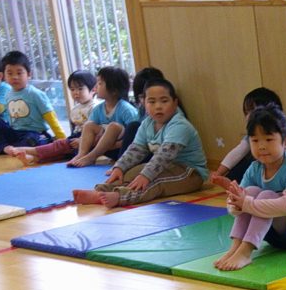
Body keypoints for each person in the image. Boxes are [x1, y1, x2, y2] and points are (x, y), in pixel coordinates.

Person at [212, 105, 286, 271]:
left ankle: (245, 252)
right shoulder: (254, 168)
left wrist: (246, 203)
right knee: (249, 192)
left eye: (269, 139)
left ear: (285, 142)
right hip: (273, 233)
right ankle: (235, 247)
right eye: (255, 141)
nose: (262, 146)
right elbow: (236, 206)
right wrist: (235, 203)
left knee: (267, 195)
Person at [72, 77, 207, 208]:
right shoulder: (147, 123)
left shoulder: (179, 125)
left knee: (154, 182)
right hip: (165, 168)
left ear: (175, 103)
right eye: (152, 102)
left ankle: (120, 197)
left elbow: (164, 157)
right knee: (130, 174)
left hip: (189, 173)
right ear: (144, 103)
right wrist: (119, 167)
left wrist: (146, 176)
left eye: (164, 101)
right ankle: (101, 191)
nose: (158, 106)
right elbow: (136, 149)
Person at [0, 51, 66, 157]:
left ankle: (18, 148)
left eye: (19, 73)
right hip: (15, 132)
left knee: (32, 140)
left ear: (29, 74)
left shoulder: (35, 94)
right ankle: (6, 148)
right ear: (4, 76)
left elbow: (51, 117)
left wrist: (63, 139)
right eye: (10, 73)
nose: (15, 77)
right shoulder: (8, 94)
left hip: (35, 133)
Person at [9, 69, 97, 165]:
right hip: (75, 140)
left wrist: (82, 140)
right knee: (63, 153)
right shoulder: (75, 109)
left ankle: (31, 150)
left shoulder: (95, 107)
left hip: (87, 141)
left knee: (60, 145)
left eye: (80, 89)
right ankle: (32, 158)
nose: (76, 92)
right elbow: (74, 129)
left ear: (93, 90)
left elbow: (97, 131)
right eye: (72, 89)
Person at [67, 66, 138, 167]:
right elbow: (90, 131)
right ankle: (82, 154)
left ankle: (91, 157)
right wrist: (82, 140)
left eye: (100, 83)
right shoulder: (98, 109)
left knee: (113, 126)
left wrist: (112, 145)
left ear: (114, 90)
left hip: (121, 150)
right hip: (103, 149)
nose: (96, 86)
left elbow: (135, 137)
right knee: (89, 125)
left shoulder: (126, 109)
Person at [211, 87, 284, 185]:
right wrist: (219, 173)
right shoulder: (252, 133)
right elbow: (238, 152)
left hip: (280, 169)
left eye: (254, 111)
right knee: (240, 167)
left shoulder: (283, 131)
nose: (249, 116)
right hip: (260, 168)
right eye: (247, 112)